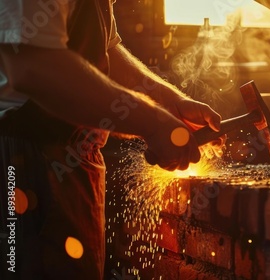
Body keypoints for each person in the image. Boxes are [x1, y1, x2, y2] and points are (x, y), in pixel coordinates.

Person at [0, 0, 223, 279]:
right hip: (24, 164)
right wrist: (152, 124)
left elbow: (105, 51)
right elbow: (34, 67)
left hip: (71, 159)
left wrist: (169, 102)